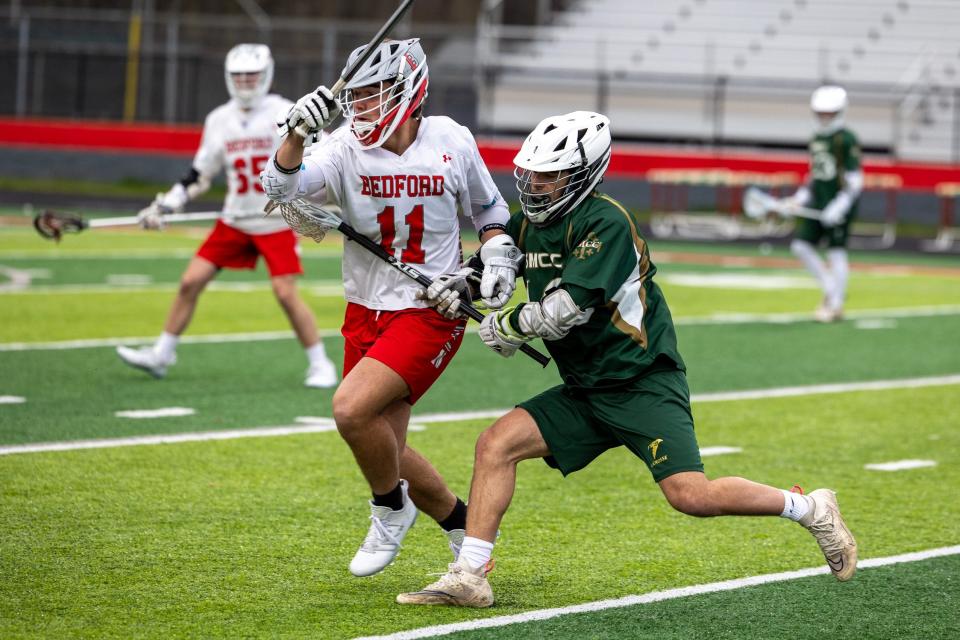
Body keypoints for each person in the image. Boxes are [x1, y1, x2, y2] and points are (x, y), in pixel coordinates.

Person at [399, 111, 858, 608]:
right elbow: (491, 266)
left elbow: (566, 310)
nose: (535, 184)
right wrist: (461, 287)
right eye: (532, 172)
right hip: (585, 386)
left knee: (691, 496)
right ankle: (471, 575)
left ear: (583, 173)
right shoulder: (528, 222)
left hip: (639, 381)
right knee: (496, 444)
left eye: (550, 174)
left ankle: (810, 508)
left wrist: (506, 325)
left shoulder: (606, 221)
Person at [259, 38, 523, 577]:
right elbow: (279, 188)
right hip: (364, 306)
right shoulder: (341, 148)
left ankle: (390, 508)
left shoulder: (450, 138)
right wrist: (295, 136)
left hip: (432, 306)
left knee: (351, 410)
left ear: (407, 91)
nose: (360, 107)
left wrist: (493, 252)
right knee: (388, 446)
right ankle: (457, 524)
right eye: (355, 97)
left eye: (373, 94)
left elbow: (489, 205)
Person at [116, 43, 338, 388]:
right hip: (235, 218)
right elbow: (199, 173)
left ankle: (320, 363)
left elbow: (325, 150)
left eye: (252, 75)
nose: (246, 82)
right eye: (239, 76)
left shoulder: (286, 111)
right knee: (190, 281)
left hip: (275, 219)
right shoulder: (219, 119)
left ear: (266, 75)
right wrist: (166, 204)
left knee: (285, 292)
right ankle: (162, 353)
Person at [786, 85, 863, 322]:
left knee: (836, 251)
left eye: (829, 113)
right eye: (821, 113)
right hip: (818, 201)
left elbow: (855, 179)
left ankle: (836, 303)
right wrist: (800, 197)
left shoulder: (846, 139)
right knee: (800, 246)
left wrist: (841, 204)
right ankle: (831, 288)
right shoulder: (817, 137)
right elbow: (815, 174)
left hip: (839, 203)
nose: (824, 118)